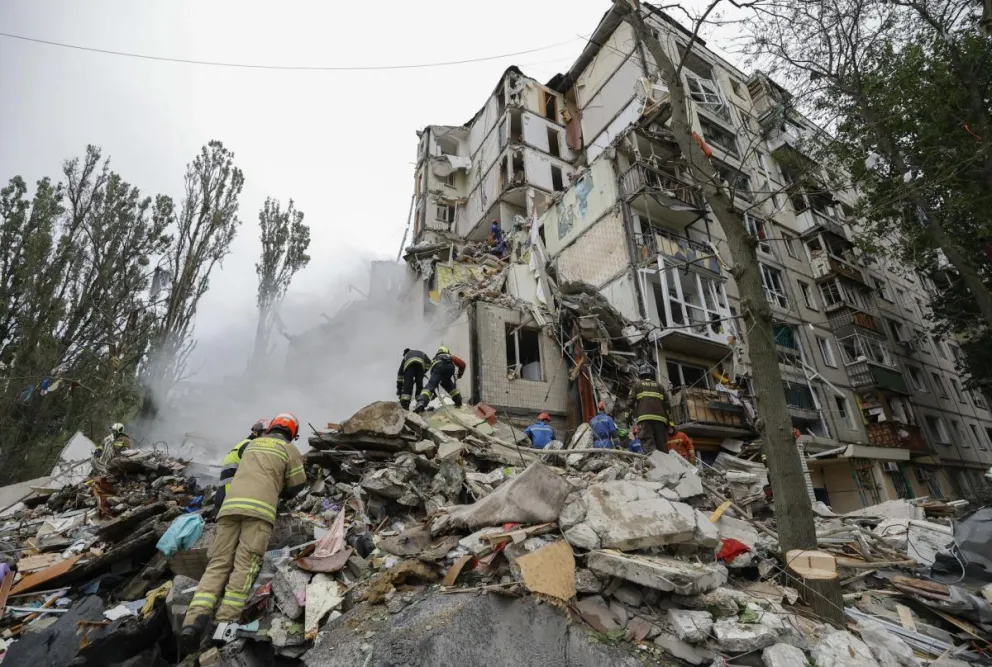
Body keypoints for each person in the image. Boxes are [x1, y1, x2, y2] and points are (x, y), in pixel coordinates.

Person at [180, 413, 308, 653]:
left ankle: (193, 622)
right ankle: (224, 624)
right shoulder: (288, 449)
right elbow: (297, 484)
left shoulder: (249, 444)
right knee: (245, 565)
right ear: (292, 432)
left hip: (229, 509)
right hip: (259, 512)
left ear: (271, 427)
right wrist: (281, 496)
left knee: (217, 563)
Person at [210, 420, 268, 519]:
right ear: (256, 432)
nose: (268, 437)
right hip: (233, 498)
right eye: (266, 433)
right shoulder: (250, 446)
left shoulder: (242, 444)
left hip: (224, 497)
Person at [630, 363, 672, 455]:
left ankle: (653, 464)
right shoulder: (660, 386)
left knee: (648, 443)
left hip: (645, 419)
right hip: (661, 420)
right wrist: (668, 421)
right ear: (651, 375)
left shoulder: (637, 385)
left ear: (640, 374)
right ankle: (664, 466)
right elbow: (667, 405)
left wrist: (631, 415)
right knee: (661, 444)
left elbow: (630, 403)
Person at [414, 346, 466, 413]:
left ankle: (421, 402)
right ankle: (458, 400)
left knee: (430, 386)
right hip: (450, 368)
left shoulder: (434, 359)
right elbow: (462, 364)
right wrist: (460, 374)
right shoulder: (449, 356)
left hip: (438, 369)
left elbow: (431, 370)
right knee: (446, 383)